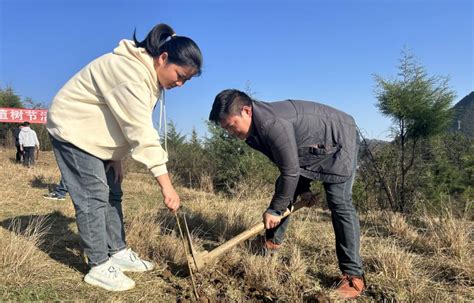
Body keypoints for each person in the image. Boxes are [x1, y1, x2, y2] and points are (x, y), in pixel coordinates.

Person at [47, 23, 202, 291]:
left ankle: (116, 251)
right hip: (72, 128)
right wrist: (167, 186)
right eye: (180, 75)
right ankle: (98, 265)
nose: (180, 84)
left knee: (112, 192)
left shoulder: (148, 78)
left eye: (186, 80)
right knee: (93, 195)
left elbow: (118, 117)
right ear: (163, 58)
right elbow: (141, 130)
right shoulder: (128, 72)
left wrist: (115, 155)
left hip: (94, 134)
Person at [209, 89, 364, 299]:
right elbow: (285, 164)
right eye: (225, 128)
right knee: (285, 185)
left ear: (246, 111)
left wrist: (275, 209)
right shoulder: (253, 132)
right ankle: (272, 242)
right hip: (311, 146)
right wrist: (303, 190)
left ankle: (353, 276)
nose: (230, 132)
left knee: (339, 200)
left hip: (339, 138)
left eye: (230, 125)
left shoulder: (272, 124)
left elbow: (291, 171)